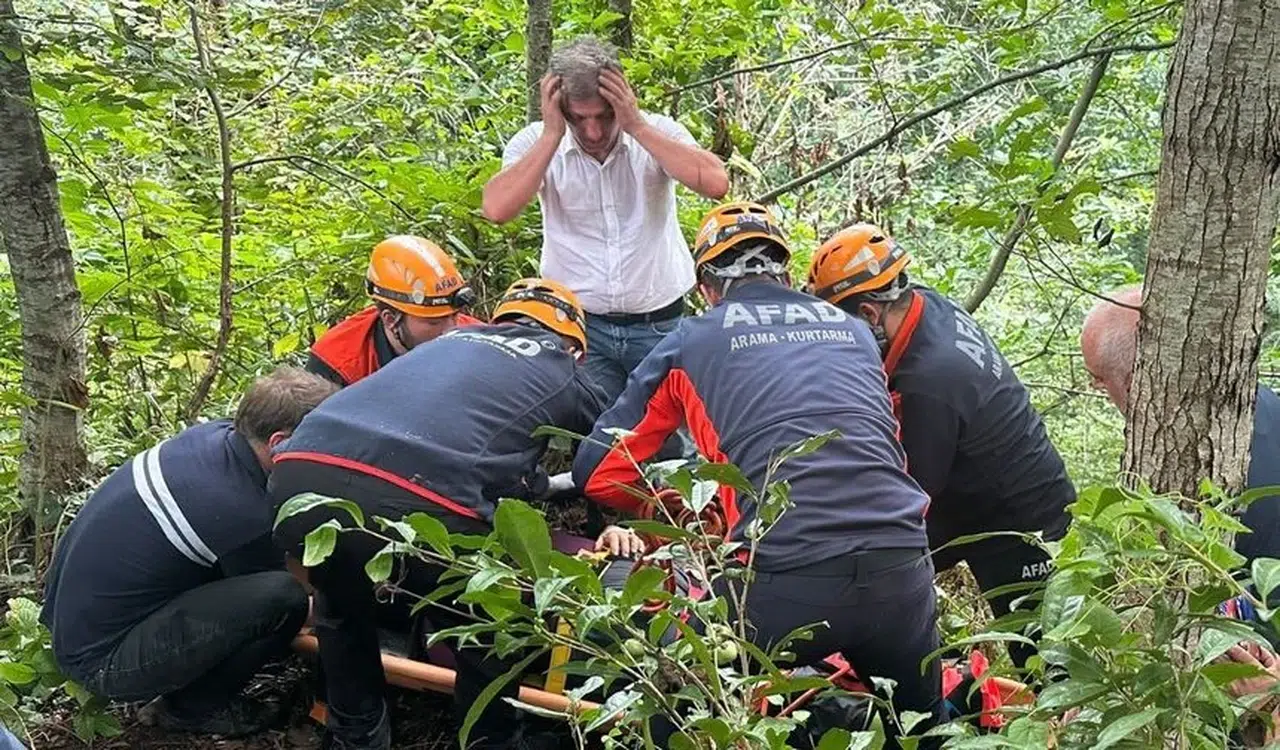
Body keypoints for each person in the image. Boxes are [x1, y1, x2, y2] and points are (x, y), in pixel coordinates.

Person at [572, 202, 945, 744]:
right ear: (787, 274)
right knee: (927, 728)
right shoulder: (855, 329)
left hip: (782, 582)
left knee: (666, 711)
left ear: (706, 287)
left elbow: (598, 467)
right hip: (903, 573)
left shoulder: (690, 339)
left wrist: (664, 504)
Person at [271, 278, 607, 750]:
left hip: (299, 474)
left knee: (340, 600)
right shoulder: (560, 365)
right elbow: (612, 454)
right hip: (417, 497)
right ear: (576, 348)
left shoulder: (446, 343)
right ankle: (490, 739)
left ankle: (356, 733)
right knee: (494, 608)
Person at [806, 224, 1075, 666]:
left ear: (871, 314)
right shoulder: (926, 304)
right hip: (971, 492)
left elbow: (913, 496)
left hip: (1021, 524)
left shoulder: (932, 380)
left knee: (1045, 659)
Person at [41, 367, 338, 737]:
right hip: (102, 659)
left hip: (72, 619)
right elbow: (294, 595)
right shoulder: (241, 510)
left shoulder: (213, 438)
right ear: (279, 442)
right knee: (285, 601)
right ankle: (190, 710)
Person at [481, 36, 729, 405]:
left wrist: (636, 126)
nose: (593, 132)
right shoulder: (535, 143)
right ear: (561, 110)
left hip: (659, 324)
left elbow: (716, 183)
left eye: (604, 116)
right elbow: (497, 209)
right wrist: (552, 134)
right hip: (581, 328)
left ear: (622, 101)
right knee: (596, 437)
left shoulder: (656, 132)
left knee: (671, 440)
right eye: (579, 119)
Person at [1081, 285, 1280, 562]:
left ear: (1131, 380)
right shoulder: (1257, 398)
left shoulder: (1176, 462)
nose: (1098, 389)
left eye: (1099, 380)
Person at [306, 235, 481, 387]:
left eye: (454, 315)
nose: (452, 330)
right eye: (434, 322)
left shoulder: (479, 340)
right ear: (390, 320)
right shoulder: (338, 362)